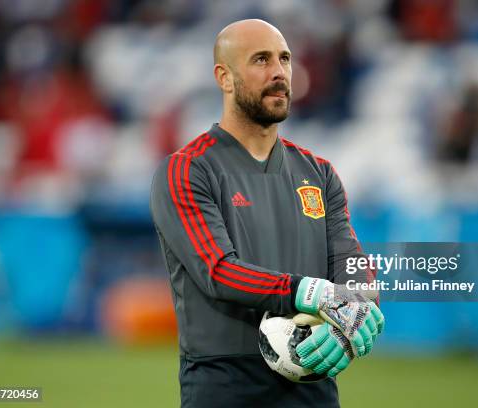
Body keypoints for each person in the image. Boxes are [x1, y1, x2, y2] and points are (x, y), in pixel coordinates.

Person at [150, 19, 384, 408]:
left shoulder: (319, 172)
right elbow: (219, 271)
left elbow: (350, 263)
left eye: (285, 59)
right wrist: (313, 294)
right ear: (224, 78)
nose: (279, 72)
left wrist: (356, 310)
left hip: (315, 383)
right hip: (224, 385)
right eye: (261, 59)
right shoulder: (187, 169)